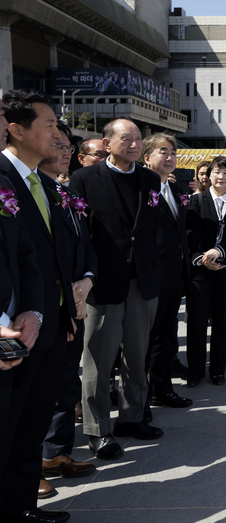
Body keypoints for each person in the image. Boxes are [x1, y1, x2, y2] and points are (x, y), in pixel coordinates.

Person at [0, 89, 76, 523]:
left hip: (45, 322)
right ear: (16, 129)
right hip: (11, 330)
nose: (57, 135)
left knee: (32, 422)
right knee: (9, 425)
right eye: (48, 126)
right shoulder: (4, 178)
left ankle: (24, 506)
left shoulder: (44, 184)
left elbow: (43, 256)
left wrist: (61, 313)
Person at [69, 118, 164, 461]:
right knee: (98, 360)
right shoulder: (83, 179)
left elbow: (152, 228)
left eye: (139, 138)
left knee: (137, 356)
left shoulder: (150, 179)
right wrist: (84, 277)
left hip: (142, 281)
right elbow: (79, 234)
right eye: (127, 138)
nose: (136, 143)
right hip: (103, 282)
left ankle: (132, 417)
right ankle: (97, 430)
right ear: (107, 144)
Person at [36, 122, 98, 501]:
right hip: (42, 308)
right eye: (57, 145)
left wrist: (86, 281)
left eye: (68, 147)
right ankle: (31, 465)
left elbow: (85, 245)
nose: (65, 153)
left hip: (73, 304)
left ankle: (55, 453)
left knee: (64, 383)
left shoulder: (66, 192)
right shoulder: (25, 192)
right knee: (36, 391)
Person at [142, 133, 192, 413]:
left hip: (174, 276)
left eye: (173, 152)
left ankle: (162, 390)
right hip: (150, 277)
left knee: (166, 337)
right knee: (145, 340)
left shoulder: (174, 190)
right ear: (147, 157)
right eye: (163, 152)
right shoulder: (140, 187)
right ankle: (139, 398)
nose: (170, 157)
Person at [186, 157, 226, 386]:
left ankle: (218, 370)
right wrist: (203, 258)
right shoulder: (195, 200)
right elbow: (190, 233)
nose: (221, 177)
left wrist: (219, 251)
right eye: (217, 172)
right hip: (200, 272)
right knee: (197, 323)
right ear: (208, 175)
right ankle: (195, 371)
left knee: (223, 321)